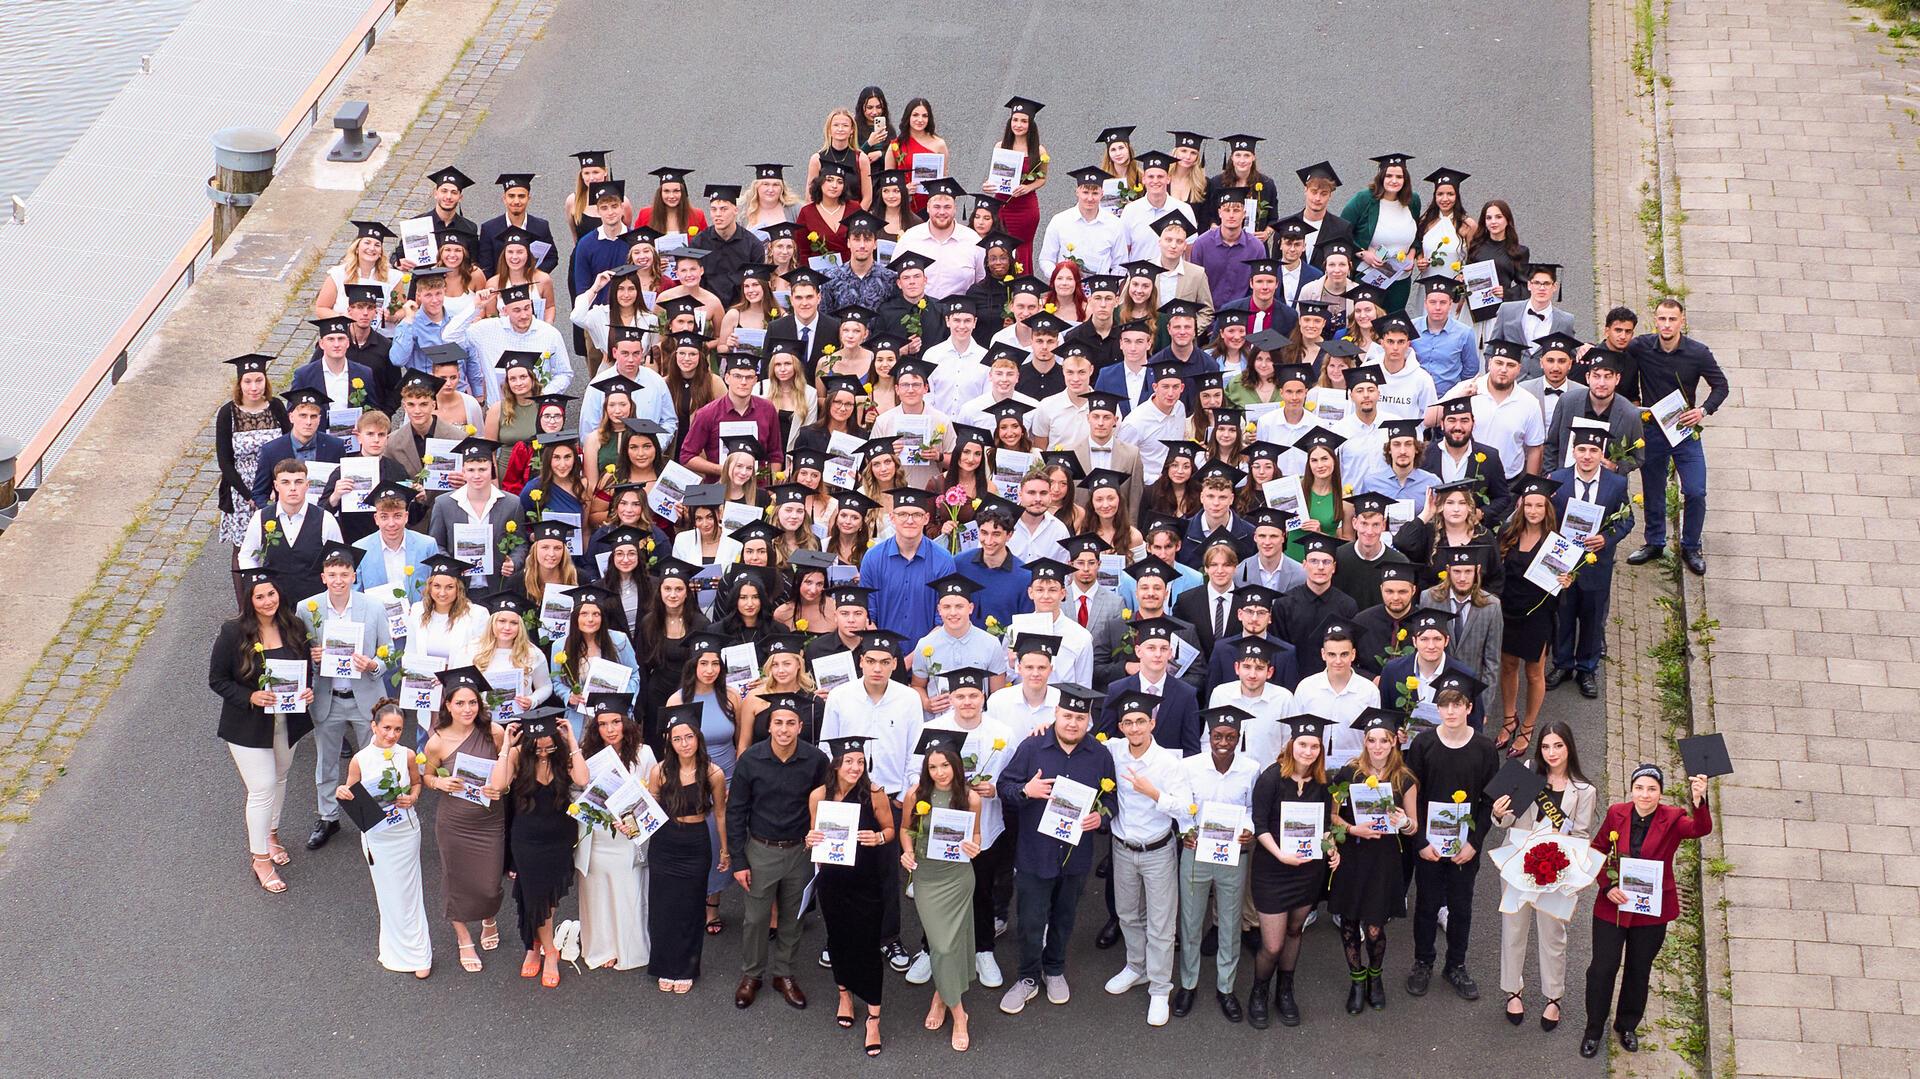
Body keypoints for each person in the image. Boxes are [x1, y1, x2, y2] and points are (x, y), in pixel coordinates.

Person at [995, 683, 1116, 1015]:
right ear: (1056, 715)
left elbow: (1112, 801)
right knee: (1031, 920)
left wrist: (1100, 820)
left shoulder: (1100, 756)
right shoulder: (1032, 748)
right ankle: (1028, 977)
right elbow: (1003, 786)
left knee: (1064, 918)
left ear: (1088, 720)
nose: (1072, 723)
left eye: (1079, 717)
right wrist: (1026, 790)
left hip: (1075, 855)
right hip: (1035, 852)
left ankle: (1055, 968)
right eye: (1066, 716)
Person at [1580, 766, 1713, 1058]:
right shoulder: (1617, 813)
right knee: (1602, 969)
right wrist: (1606, 887)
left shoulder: (1673, 818)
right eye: (1639, 788)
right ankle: (1593, 1029)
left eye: (1652, 789)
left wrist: (1699, 801)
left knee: (1639, 970)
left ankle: (1626, 1025)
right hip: (1613, 905)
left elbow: (1700, 829)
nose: (1645, 795)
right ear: (1631, 789)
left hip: (1650, 912)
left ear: (1660, 793)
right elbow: (1597, 850)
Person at [209, 569, 316, 894]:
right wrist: (250, 696)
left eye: (271, 594)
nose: (267, 601)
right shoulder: (233, 633)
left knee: (280, 778)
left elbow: (305, 670)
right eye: (260, 596)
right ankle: (260, 859)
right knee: (262, 787)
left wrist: (307, 691)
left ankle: (271, 834)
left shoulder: (295, 627)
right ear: (249, 601)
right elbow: (217, 680)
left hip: (287, 721)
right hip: (247, 725)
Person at [1490, 720, 1597, 1031]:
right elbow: (1507, 820)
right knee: (1513, 928)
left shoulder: (1584, 790)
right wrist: (1499, 812)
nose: (1552, 752)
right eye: (1547, 746)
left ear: (1569, 748)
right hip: (1516, 863)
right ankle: (1513, 990)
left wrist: (1564, 860)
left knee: (1553, 936)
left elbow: (1581, 834)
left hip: (1556, 870)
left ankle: (1553, 996)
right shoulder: (1526, 772)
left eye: (1558, 746)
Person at [730, 700, 832, 1011]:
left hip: (800, 850)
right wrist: (738, 860)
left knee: (793, 917)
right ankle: (752, 975)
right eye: (778, 723)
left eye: (791, 723)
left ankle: (783, 973)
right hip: (761, 850)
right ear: (769, 726)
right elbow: (736, 811)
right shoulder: (751, 760)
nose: (784, 729)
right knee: (756, 918)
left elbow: (828, 805)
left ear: (800, 727)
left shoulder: (815, 760)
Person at [1404, 680, 1500, 1001]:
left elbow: (1488, 802)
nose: (1450, 711)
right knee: (1427, 904)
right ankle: (1422, 962)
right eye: (1445, 704)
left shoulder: (1485, 749)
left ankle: (1456, 965)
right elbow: (1412, 796)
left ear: (1469, 708)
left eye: (1457, 704)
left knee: (1461, 906)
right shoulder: (1423, 744)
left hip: (1465, 847)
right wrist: (1418, 840)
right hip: (1429, 843)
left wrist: (1474, 843)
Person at [806, 734, 899, 1056]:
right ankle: (844, 992)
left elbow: (890, 830)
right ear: (836, 764)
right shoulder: (819, 796)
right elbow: (813, 836)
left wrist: (878, 837)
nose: (855, 767)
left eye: (860, 761)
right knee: (839, 939)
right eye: (849, 761)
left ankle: (874, 1015)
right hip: (832, 881)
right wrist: (810, 839)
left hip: (866, 880)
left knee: (868, 945)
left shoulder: (874, 795)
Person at [1099, 690, 1187, 1027]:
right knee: (1127, 914)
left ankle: (1161, 988)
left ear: (1152, 722)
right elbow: (1081, 745)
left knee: (1161, 925)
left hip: (1158, 849)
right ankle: (1136, 967)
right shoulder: (1114, 751)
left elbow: (1184, 806)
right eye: (1128, 723)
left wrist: (1154, 793)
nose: (1134, 728)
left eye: (1140, 722)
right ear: (1121, 726)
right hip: (1122, 848)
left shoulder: (1168, 762)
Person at [1623, 297, 1728, 576]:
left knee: (1696, 490)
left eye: (1672, 319)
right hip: (1653, 430)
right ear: (1655, 320)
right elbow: (1614, 351)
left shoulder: (1698, 353)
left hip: (1683, 429)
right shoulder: (1641, 346)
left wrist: (1703, 410)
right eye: (1661, 319)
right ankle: (1655, 542)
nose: (1666, 324)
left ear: (1682, 321)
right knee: (1653, 489)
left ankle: (1691, 545)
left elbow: (1721, 386)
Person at [298, 542, 393, 850]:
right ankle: (328, 817)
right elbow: (297, 653)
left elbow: (389, 652)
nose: (338, 580)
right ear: (323, 577)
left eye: (344, 573)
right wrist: (310, 657)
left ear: (354, 575)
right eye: (332, 574)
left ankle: (369, 817)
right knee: (326, 762)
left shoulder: (374, 607)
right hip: (329, 698)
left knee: (371, 761)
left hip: (366, 697)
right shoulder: (306, 608)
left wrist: (373, 664)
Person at [1246, 718, 1338, 1029]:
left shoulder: (1323, 783)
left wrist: (1332, 848)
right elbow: (1259, 825)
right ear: (1291, 745)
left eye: (1314, 746)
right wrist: (1280, 854)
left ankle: (1285, 991)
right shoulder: (1271, 778)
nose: (1308, 751)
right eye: (1303, 744)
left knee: (1295, 932)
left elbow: (1325, 827)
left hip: (1307, 871)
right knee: (1272, 944)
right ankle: (1259, 991)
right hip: (1272, 869)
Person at [487, 710, 590, 989]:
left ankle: (534, 945)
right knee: (533, 896)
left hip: (559, 838)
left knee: (550, 899)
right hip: (527, 840)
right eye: (539, 745)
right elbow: (498, 784)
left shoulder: (562, 757)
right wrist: (507, 746)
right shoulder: (519, 756)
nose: (544, 751)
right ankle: (549, 952)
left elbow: (581, 779)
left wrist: (571, 742)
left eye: (550, 744)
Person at [1327, 708, 1419, 1014]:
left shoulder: (1404, 779)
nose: (1377, 746)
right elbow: (1332, 816)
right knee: (1350, 924)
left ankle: (1375, 978)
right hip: (1353, 855)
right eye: (1372, 740)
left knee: (1376, 928)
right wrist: (1354, 828)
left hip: (1384, 859)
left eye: (1384, 740)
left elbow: (1413, 827)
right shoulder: (1348, 773)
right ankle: (1356, 980)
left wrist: (1404, 822)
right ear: (1365, 742)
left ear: (1394, 742)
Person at [333, 699, 432, 976]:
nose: (392, 734)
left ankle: (420, 954)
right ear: (373, 726)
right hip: (377, 836)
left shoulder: (408, 755)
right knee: (388, 894)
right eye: (387, 728)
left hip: (405, 833)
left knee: (410, 892)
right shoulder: (360, 759)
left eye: (398, 729)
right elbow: (352, 793)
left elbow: (416, 783)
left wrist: (412, 798)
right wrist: (342, 792)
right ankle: (395, 951)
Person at [898, 737, 983, 1051]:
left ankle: (946, 1002)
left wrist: (975, 846)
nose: (939, 772)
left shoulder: (971, 798)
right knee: (941, 944)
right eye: (932, 767)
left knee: (949, 944)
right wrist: (906, 853)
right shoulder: (915, 794)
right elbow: (907, 829)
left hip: (958, 878)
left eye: (944, 765)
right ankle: (956, 1008)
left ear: (955, 765)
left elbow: (976, 834)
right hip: (927, 878)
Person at [420, 666, 507, 972]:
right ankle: (463, 938)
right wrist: (438, 783)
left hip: (489, 819)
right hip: (454, 822)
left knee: (489, 883)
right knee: (455, 879)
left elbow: (506, 771)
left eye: (472, 703)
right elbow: (426, 777)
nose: (467, 709)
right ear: (448, 705)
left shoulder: (494, 732)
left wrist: (502, 787)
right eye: (460, 703)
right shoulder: (437, 742)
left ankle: (489, 916)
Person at [645, 704, 729, 992]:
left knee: (691, 908)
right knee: (663, 906)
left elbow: (719, 813)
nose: (684, 744)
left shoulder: (713, 773)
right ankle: (664, 965)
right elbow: (650, 808)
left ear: (698, 738)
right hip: (665, 842)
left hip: (695, 843)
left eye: (689, 737)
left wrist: (725, 850)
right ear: (670, 741)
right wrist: (629, 823)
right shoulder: (660, 771)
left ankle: (686, 967)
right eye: (678, 738)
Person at [571, 697, 656, 972]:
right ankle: (602, 947)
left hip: (627, 836)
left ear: (626, 723)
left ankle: (627, 949)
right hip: (597, 835)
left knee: (627, 890)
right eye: (603, 724)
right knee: (597, 893)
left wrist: (631, 823)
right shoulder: (585, 754)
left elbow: (653, 798)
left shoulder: (644, 753)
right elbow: (575, 791)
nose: (610, 729)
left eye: (616, 722)